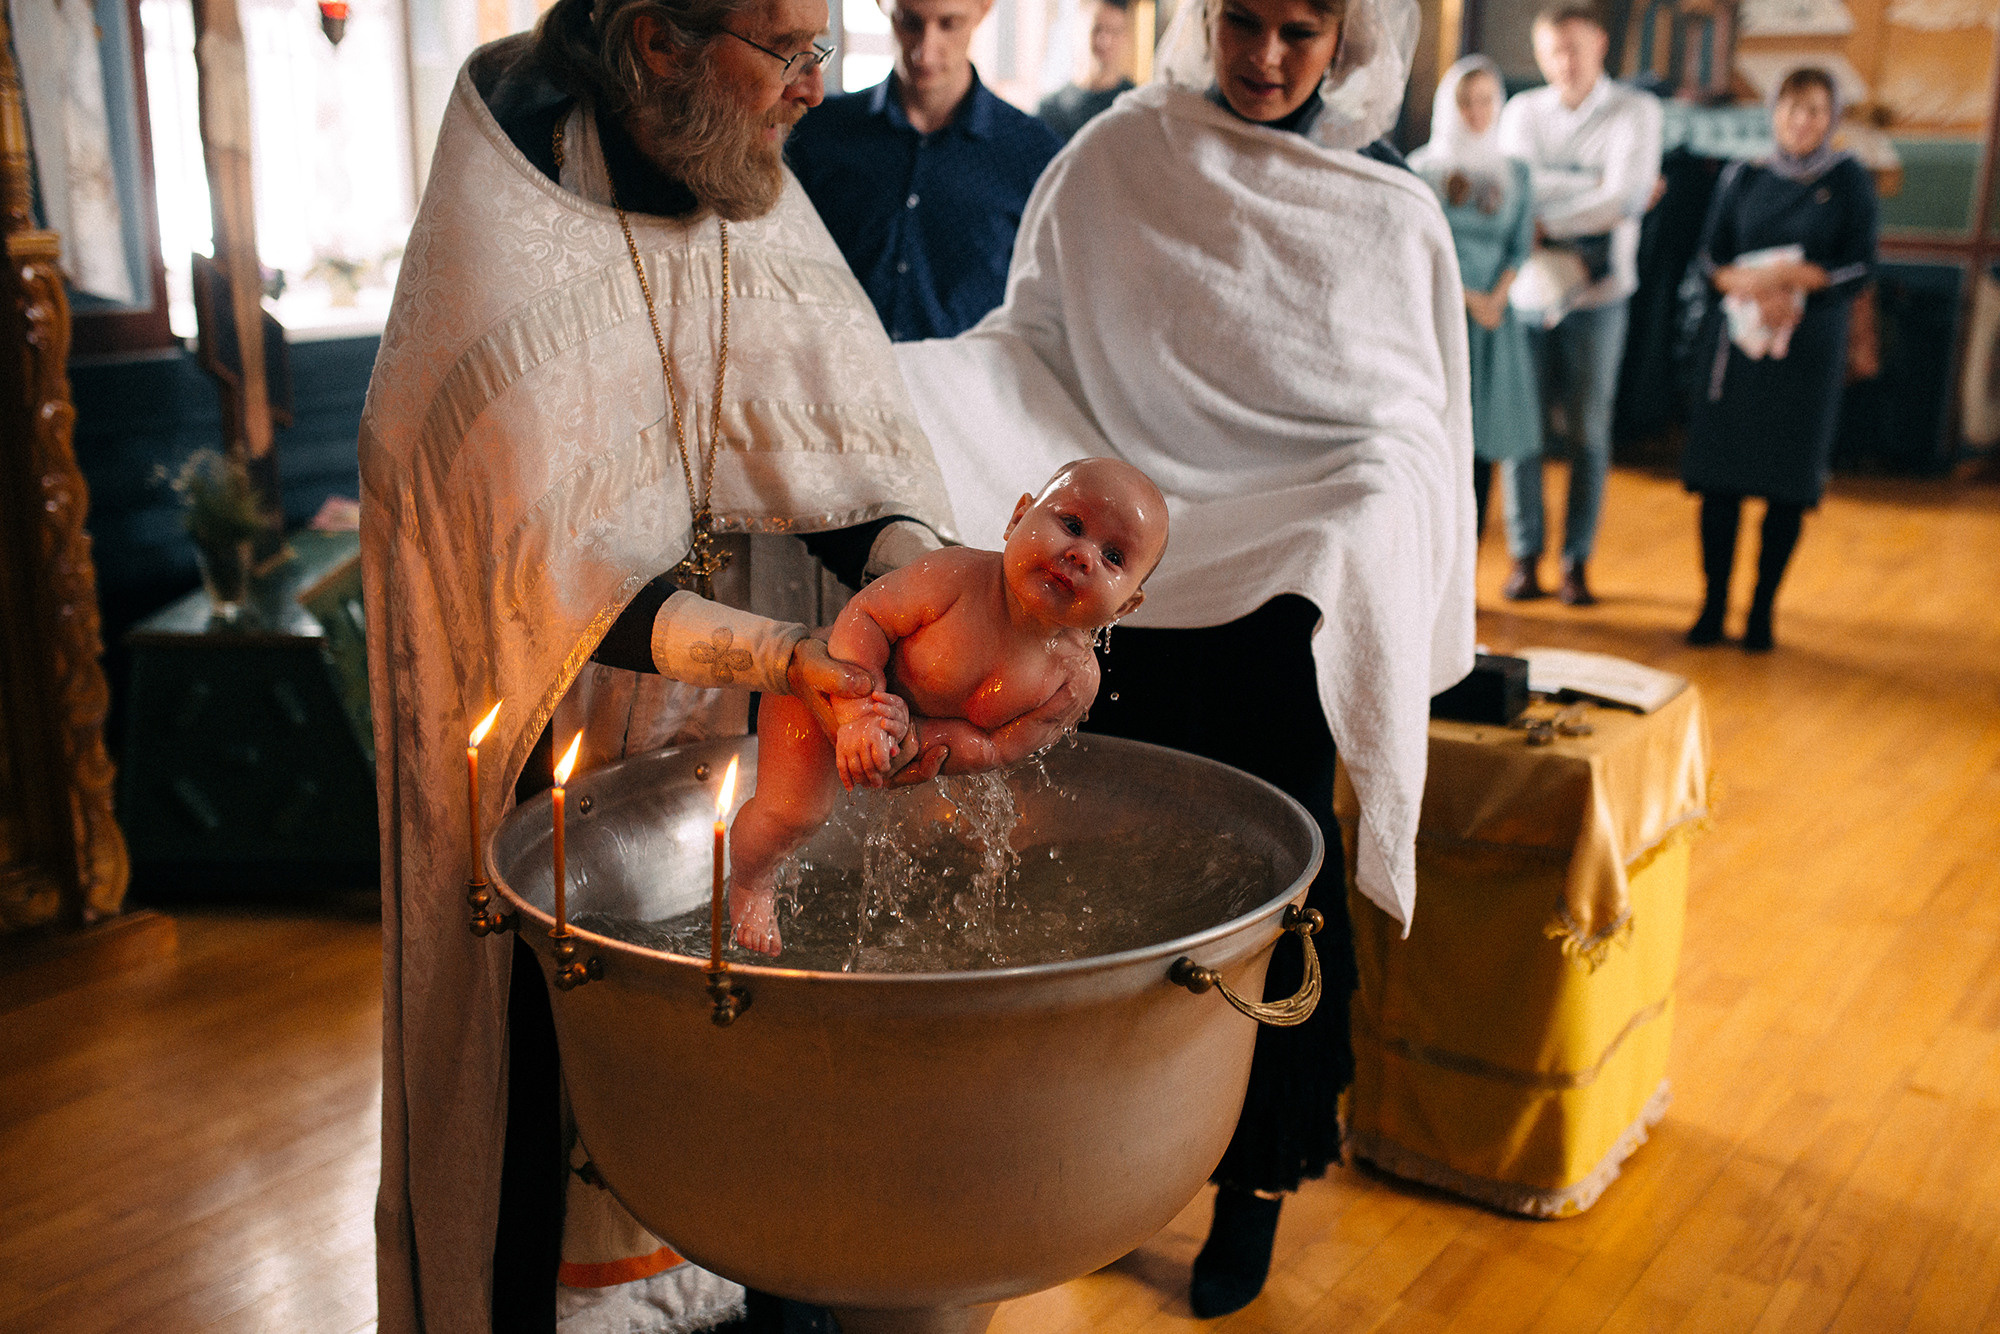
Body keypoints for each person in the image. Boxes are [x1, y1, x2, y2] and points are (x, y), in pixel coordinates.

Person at [358, 0, 967, 1327]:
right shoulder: (507, 212)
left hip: (736, 746)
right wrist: (792, 651)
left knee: (753, 1111)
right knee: (552, 1109)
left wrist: (929, 575)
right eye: (789, 51)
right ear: (655, 43)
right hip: (544, 745)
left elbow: (839, 451)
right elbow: (548, 568)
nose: (818, 87)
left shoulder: (744, 180)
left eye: (826, 47)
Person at [894, 0, 1474, 1315]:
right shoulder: (1113, 159)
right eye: (1242, 22)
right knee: (1115, 891)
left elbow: (1412, 430)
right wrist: (911, 385)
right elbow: (1030, 350)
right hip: (1128, 600)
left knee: (1265, 899)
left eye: (1299, 33)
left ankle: (1252, 1184)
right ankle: (1118, 1161)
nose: (1265, 59)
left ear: (1351, 39)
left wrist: (1361, 519)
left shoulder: (1389, 216)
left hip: (1279, 615)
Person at [729, 457, 1168, 954]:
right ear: (1018, 518)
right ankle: (750, 883)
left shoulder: (1073, 680)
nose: (1082, 554)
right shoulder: (954, 576)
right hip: (818, 690)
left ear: (1128, 604)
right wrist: (857, 713)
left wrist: (920, 741)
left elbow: (997, 748)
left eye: (1113, 557)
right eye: (1071, 525)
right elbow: (866, 616)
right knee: (792, 816)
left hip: (902, 735)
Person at [1681, 66, 1875, 651]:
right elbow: (1711, 259)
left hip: (1807, 348)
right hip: (1737, 346)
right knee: (1721, 483)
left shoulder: (1848, 180)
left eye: (1815, 110)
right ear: (1773, 113)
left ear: (1831, 119)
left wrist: (1790, 279)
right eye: (1791, 108)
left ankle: (1761, 611)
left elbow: (1859, 265)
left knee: (1785, 486)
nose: (1801, 121)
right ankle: (1713, 606)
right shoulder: (1743, 175)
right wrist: (1756, 284)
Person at [1497, 1, 1661, 604]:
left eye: (1573, 48)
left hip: (1601, 295)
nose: (1563, 62)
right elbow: (1513, 190)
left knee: (1589, 432)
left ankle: (1576, 562)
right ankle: (1524, 556)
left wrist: (1548, 211)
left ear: (1599, 44)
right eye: (1551, 51)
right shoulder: (1521, 111)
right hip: (1527, 292)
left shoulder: (1636, 111)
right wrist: (1583, 195)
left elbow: (1624, 198)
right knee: (1522, 431)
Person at [785, 0, 1062, 340]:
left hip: (965, 387)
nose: (925, 51)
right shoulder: (818, 134)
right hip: (833, 379)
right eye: (910, 22)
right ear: (883, 6)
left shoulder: (1033, 153)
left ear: (984, 8)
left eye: (949, 24)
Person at [1411, 55, 1540, 540]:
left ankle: (1469, 562)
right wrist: (1465, 298)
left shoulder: (1516, 173)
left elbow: (1520, 243)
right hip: (1439, 314)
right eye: (1466, 100)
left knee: (1483, 442)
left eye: (1486, 99)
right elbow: (1415, 250)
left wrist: (1497, 298)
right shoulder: (1423, 169)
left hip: (1492, 320)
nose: (1477, 110)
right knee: (1437, 444)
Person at [1036, 0, 1138, 142]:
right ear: (1078, 30)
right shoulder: (1051, 110)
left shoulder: (1136, 107)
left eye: (1115, 31)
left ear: (1125, 37)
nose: (1105, 41)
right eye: (1097, 29)